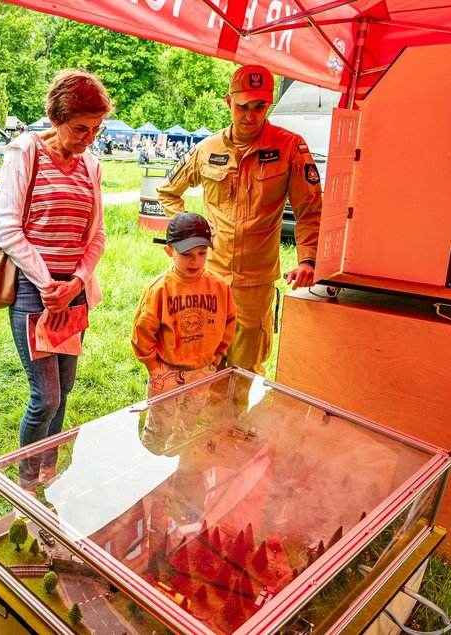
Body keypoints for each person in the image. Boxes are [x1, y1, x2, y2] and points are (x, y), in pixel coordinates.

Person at [157, 64, 323, 376]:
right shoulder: (207, 148)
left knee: (245, 369)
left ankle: (236, 426)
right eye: (242, 106)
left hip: (255, 283)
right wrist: (188, 236)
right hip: (208, 277)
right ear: (228, 102)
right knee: (201, 362)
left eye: (259, 107)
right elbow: (168, 191)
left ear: (268, 105)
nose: (250, 115)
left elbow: (311, 209)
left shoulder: (290, 147)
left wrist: (308, 260)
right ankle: (207, 424)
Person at [0, 69, 111, 492]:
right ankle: (25, 484)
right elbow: (7, 228)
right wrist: (48, 285)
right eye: (81, 128)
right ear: (55, 117)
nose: (89, 138)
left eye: (96, 128)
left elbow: (96, 234)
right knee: (45, 396)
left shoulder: (91, 165)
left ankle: (48, 472)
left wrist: (76, 283)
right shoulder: (24, 151)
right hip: (34, 292)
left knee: (63, 390)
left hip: (73, 294)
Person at [131, 212, 237, 453]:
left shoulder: (219, 286)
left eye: (202, 253)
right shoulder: (160, 289)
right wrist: (154, 367)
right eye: (187, 255)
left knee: (185, 428)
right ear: (169, 251)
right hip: (166, 372)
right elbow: (142, 331)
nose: (195, 261)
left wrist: (217, 358)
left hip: (201, 371)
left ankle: (174, 470)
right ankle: (148, 475)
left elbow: (229, 321)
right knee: (159, 428)